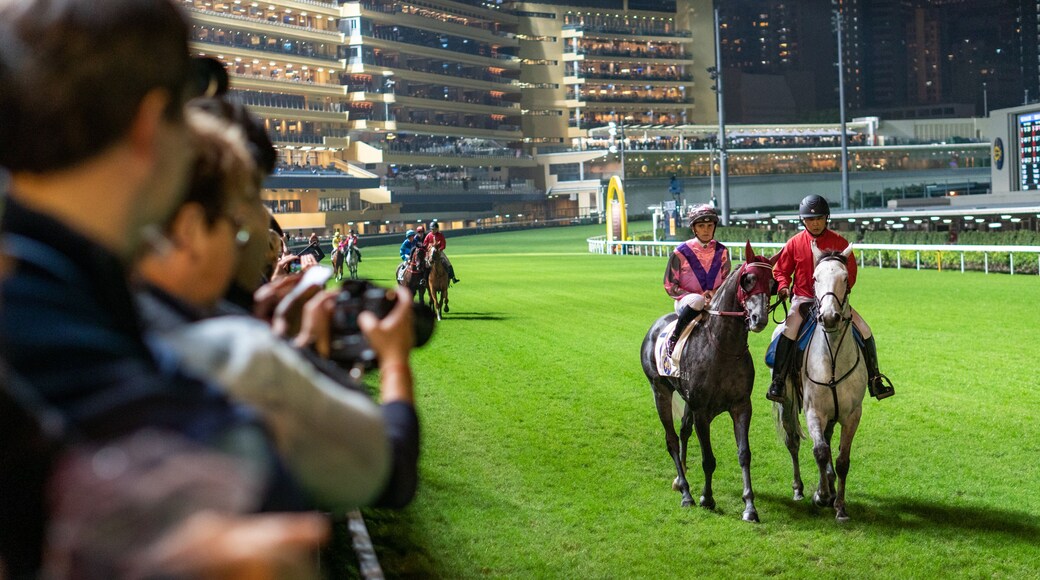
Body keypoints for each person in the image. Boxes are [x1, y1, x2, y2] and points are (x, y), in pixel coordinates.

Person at [135, 99, 420, 510]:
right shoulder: (241, 352)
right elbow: (390, 469)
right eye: (238, 223)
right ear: (191, 232)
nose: (253, 232)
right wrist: (393, 360)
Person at [767, 194, 895, 403]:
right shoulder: (794, 243)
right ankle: (779, 382)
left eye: (819, 218)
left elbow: (850, 274)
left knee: (865, 330)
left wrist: (837, 294)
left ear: (827, 218)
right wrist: (783, 287)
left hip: (833, 302)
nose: (815, 223)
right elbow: (780, 271)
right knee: (788, 332)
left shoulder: (839, 242)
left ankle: (875, 379)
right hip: (803, 300)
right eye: (810, 220)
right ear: (803, 221)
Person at [662, 205, 730, 357]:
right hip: (687, 302)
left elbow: (726, 280)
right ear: (694, 229)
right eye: (701, 226)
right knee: (697, 300)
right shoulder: (680, 252)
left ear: (714, 227)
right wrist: (695, 296)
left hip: (715, 300)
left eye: (709, 225)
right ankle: (675, 336)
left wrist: (713, 293)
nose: (706, 230)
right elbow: (670, 285)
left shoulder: (722, 251)